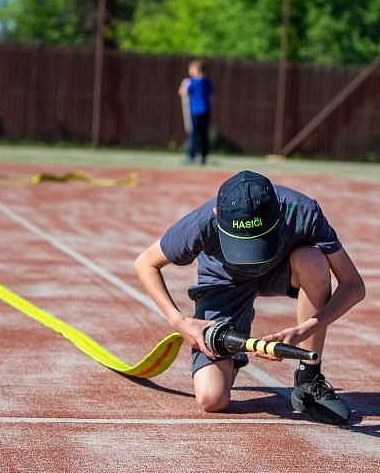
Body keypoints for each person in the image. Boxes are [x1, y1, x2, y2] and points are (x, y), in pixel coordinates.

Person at [134, 170, 366, 424]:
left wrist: (303, 331)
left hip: (282, 270)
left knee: (313, 260)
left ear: (278, 212)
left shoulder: (302, 210)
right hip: (225, 284)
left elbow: (353, 285)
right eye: (241, 243)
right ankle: (229, 358)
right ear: (217, 216)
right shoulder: (200, 222)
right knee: (212, 399)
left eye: (259, 241)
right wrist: (180, 322)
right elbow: (145, 263)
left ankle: (309, 380)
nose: (251, 256)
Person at [178, 59, 213, 164]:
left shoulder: (192, 82)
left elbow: (182, 92)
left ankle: (191, 156)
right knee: (204, 134)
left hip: (195, 111)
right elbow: (211, 95)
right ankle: (203, 156)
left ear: (196, 70)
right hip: (206, 110)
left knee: (194, 133)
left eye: (191, 68)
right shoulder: (207, 81)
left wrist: (184, 84)